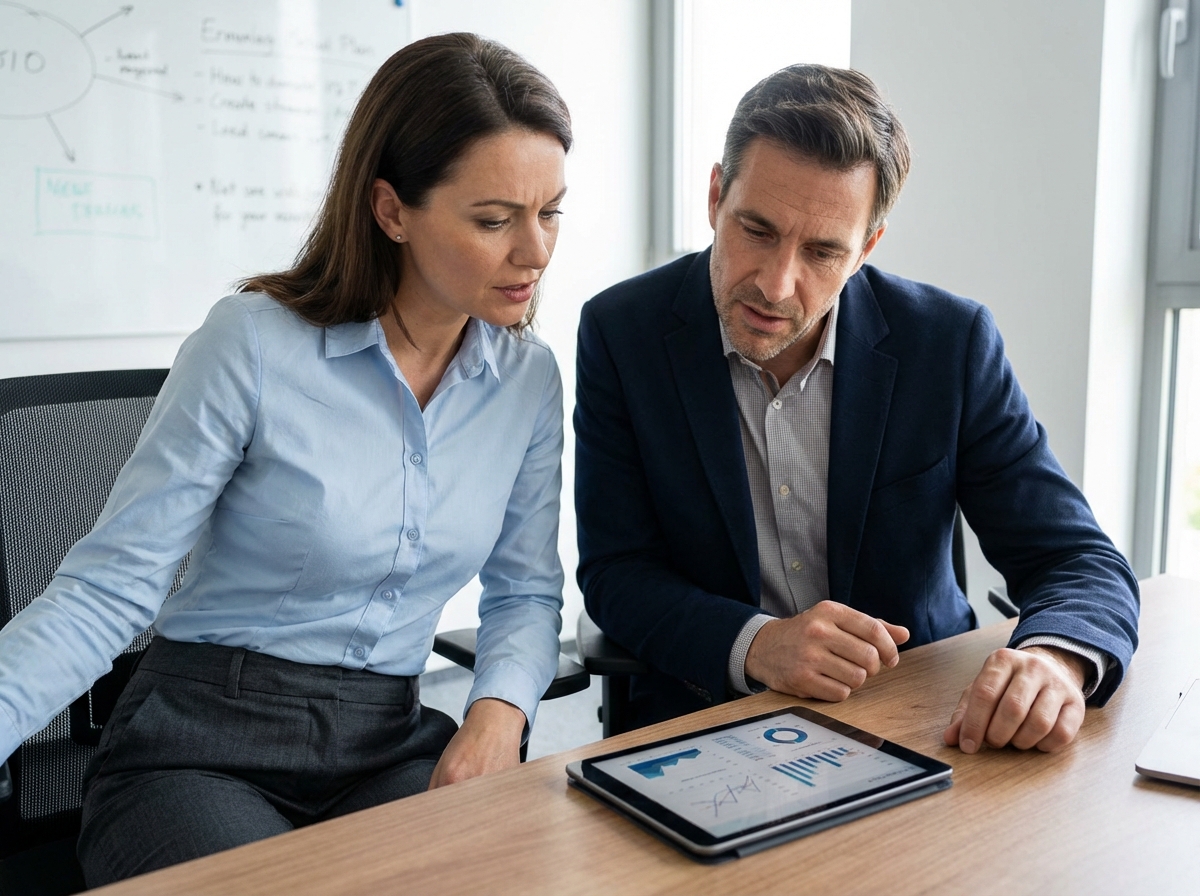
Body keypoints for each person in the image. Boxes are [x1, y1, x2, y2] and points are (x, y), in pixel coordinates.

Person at [0, 33, 572, 886]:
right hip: (200, 747)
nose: (535, 251)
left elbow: (525, 590)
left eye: (551, 210)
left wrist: (495, 716)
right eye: (494, 220)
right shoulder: (255, 343)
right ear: (392, 211)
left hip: (387, 742)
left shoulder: (526, 379)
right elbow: (111, 587)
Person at [574, 64, 1139, 754]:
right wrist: (757, 644)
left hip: (919, 722)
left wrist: (1055, 661)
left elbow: (1076, 558)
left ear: (867, 247)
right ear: (717, 194)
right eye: (756, 229)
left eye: (821, 252)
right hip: (708, 724)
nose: (776, 284)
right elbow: (618, 572)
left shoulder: (949, 345)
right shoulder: (621, 332)